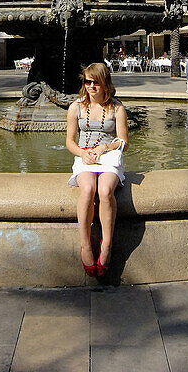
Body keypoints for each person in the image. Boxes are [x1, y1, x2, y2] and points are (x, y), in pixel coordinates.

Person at [65, 62, 128, 277]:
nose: (91, 86)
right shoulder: (76, 107)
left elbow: (124, 142)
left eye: (95, 82)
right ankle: (85, 245)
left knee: (104, 191)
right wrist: (83, 153)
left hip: (109, 156)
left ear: (105, 83)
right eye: (87, 81)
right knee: (88, 189)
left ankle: (107, 244)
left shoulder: (117, 108)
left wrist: (106, 147)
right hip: (85, 156)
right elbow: (69, 142)